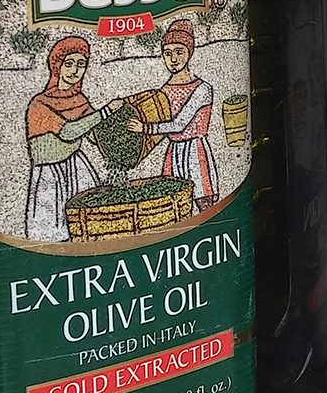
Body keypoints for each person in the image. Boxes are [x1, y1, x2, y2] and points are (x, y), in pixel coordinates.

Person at [25, 36, 122, 241]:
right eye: (68, 64)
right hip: (50, 171)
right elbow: (69, 132)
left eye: (81, 64)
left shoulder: (79, 100)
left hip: (77, 166)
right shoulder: (39, 104)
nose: (75, 70)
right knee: (54, 228)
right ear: (57, 66)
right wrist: (105, 112)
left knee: (88, 220)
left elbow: (96, 133)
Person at [128, 19, 219, 211]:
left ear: (189, 52)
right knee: (175, 205)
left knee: (204, 203)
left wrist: (144, 128)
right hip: (174, 152)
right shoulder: (164, 90)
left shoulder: (202, 89)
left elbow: (179, 124)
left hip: (195, 151)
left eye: (179, 52)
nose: (173, 59)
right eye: (168, 54)